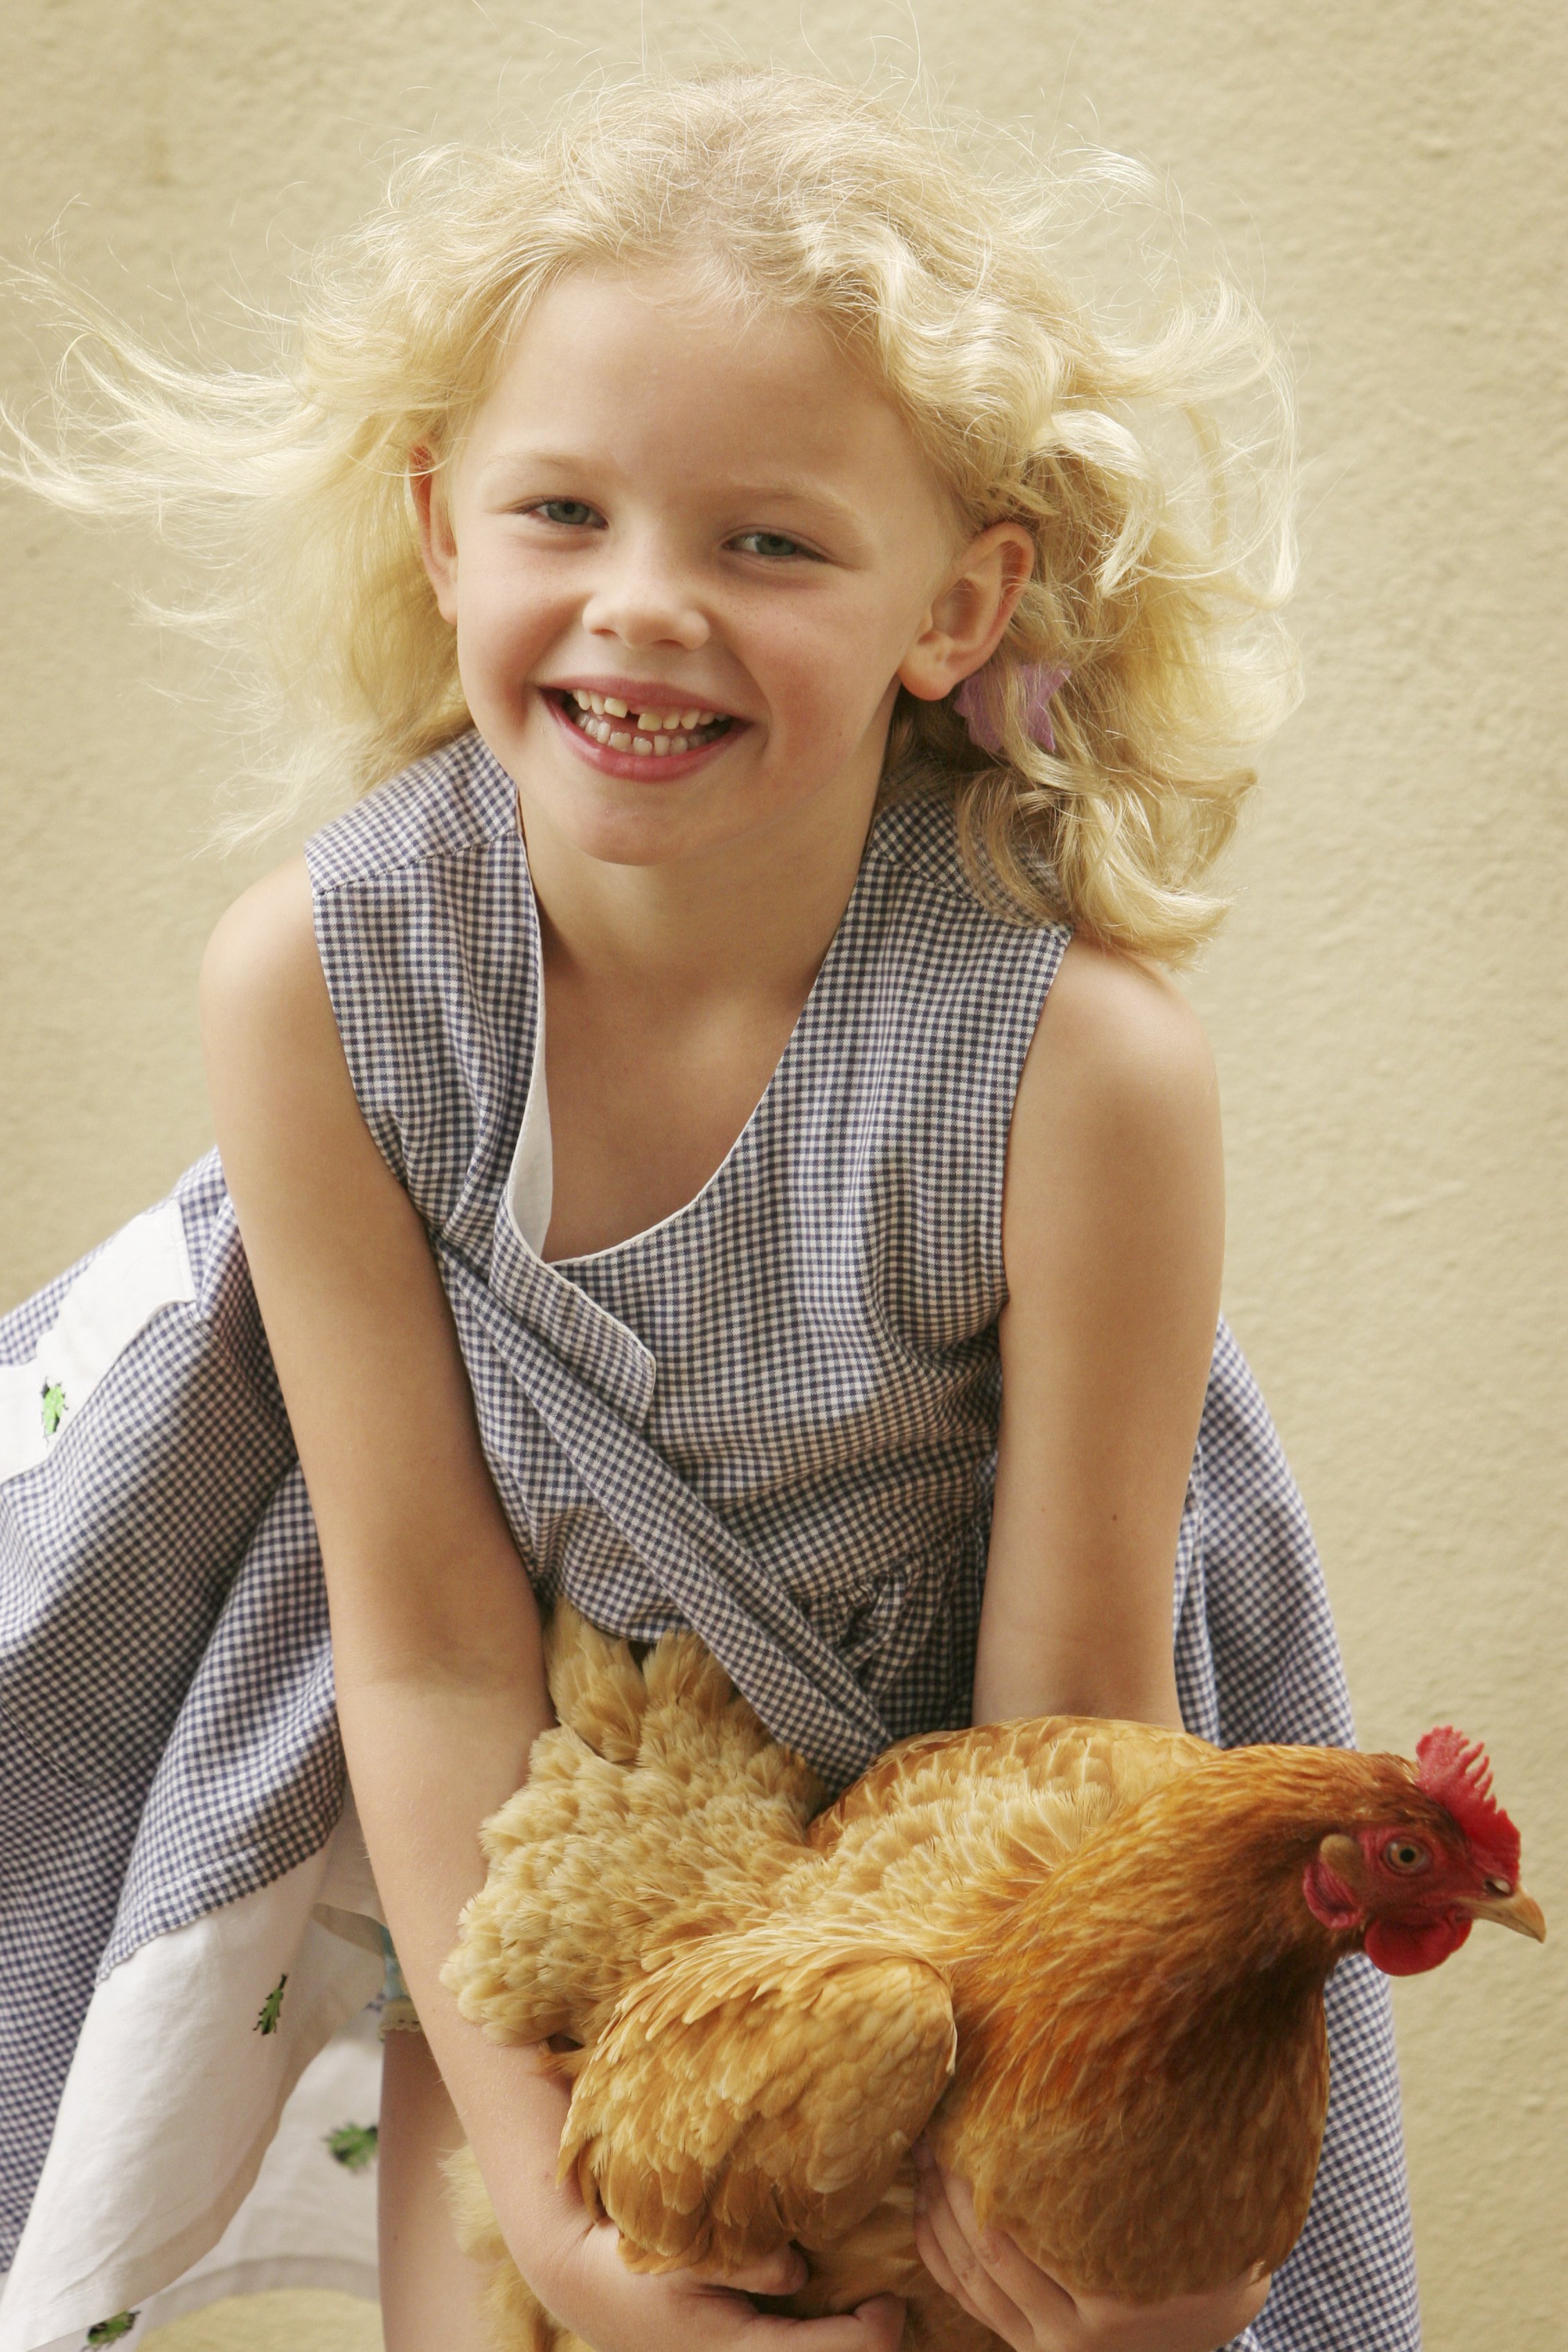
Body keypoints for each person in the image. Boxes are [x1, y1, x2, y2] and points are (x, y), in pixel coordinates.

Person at [0, 70, 1417, 2352]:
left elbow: (1072, 1703)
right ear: (446, 525)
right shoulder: (324, 987)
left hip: (959, 1923)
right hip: (548, 1893)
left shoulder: (1083, 1072)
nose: (642, 609)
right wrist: (568, 2235)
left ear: (954, 607)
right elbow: (435, 1642)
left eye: (768, 541)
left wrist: (1022, 2173)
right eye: (566, 509)